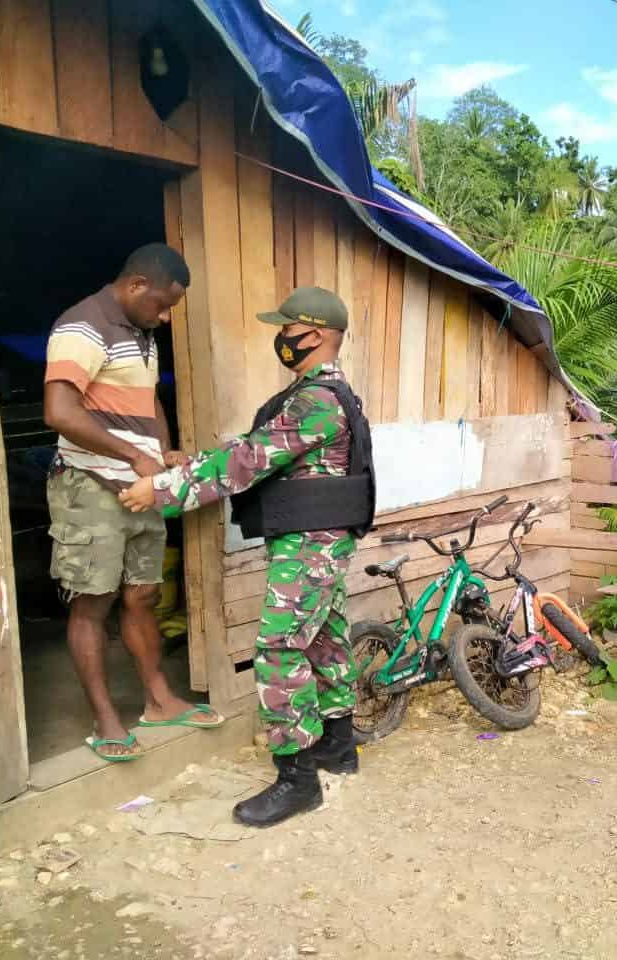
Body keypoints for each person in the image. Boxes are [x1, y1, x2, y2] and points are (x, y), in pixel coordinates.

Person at [120, 287, 375, 826]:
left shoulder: (316, 401)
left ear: (318, 335)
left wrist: (163, 490)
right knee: (326, 637)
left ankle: (297, 781)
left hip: (311, 543)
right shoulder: (325, 394)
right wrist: (194, 462)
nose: (280, 338)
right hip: (319, 539)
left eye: (288, 329)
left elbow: (246, 461)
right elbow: (256, 447)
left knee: (280, 648)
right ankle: (338, 746)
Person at [43, 243, 223, 763]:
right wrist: (130, 455)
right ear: (137, 284)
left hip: (142, 487)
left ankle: (159, 701)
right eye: (163, 305)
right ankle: (105, 719)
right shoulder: (83, 327)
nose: (166, 318)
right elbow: (59, 411)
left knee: (142, 596)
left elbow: (148, 402)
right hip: (91, 484)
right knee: (92, 602)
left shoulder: (140, 335)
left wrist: (159, 450)